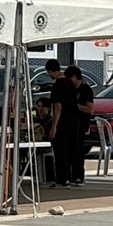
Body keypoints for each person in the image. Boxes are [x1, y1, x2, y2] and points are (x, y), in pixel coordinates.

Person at [46, 59, 77, 188]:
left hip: (62, 122)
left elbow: (57, 107)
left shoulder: (57, 85)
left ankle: (61, 180)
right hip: (73, 121)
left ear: (50, 71)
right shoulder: (70, 83)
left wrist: (54, 127)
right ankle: (70, 178)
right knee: (70, 150)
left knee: (60, 152)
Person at [67, 66, 94, 186]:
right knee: (71, 150)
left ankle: (79, 176)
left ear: (75, 77)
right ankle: (72, 175)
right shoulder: (71, 89)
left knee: (79, 150)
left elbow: (90, 109)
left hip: (81, 124)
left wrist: (76, 106)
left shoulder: (86, 90)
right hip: (71, 123)